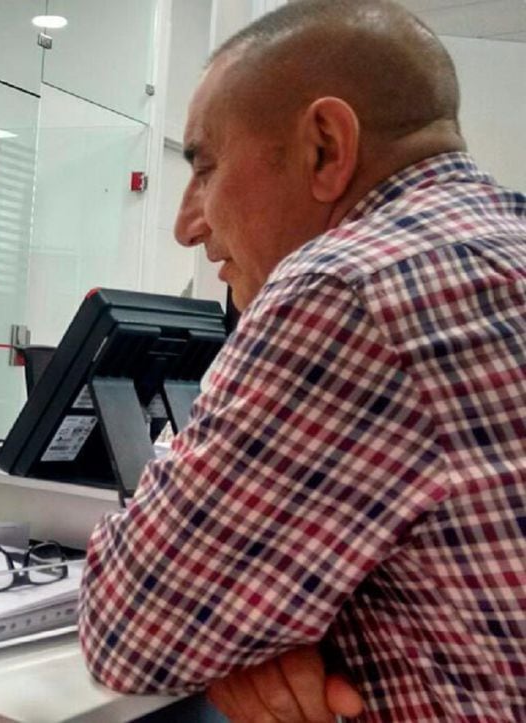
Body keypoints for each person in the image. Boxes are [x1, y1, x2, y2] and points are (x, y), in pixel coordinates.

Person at [78, 1, 525, 721]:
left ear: (324, 146)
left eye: (206, 167)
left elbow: (131, 624)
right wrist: (267, 644)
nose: (188, 223)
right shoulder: (500, 241)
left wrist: (241, 643)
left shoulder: (348, 286)